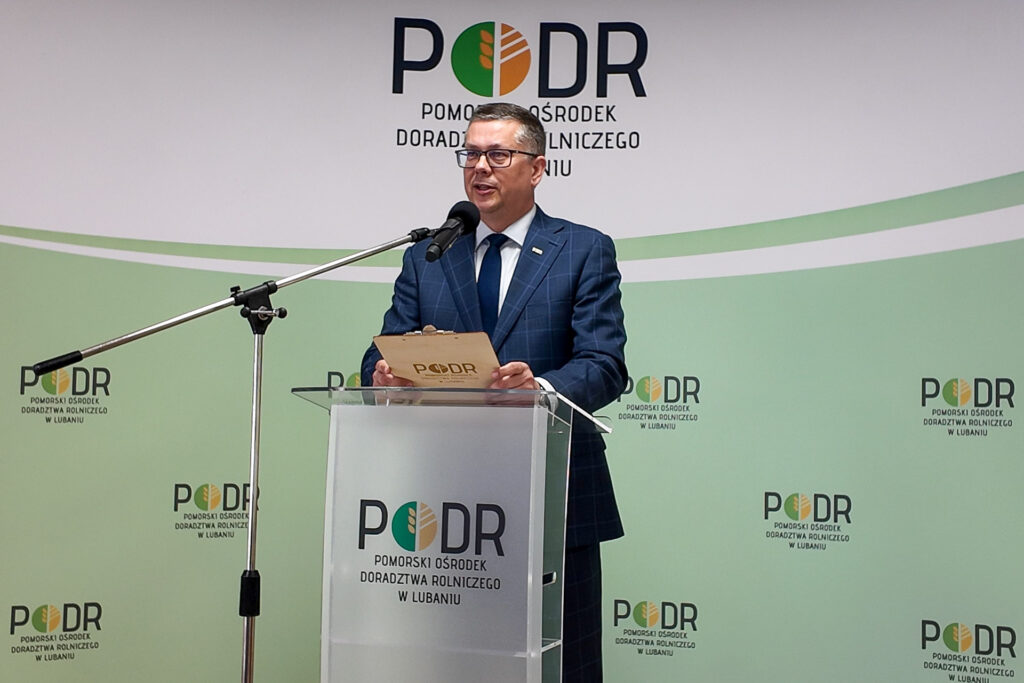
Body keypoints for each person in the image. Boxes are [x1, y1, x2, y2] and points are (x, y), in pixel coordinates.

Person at [360, 102, 627, 681]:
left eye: (498, 155)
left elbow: (605, 364)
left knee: (565, 665)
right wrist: (384, 376)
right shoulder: (430, 255)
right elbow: (380, 353)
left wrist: (541, 389)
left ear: (537, 168)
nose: (480, 167)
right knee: (458, 664)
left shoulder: (582, 249)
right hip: (450, 504)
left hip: (556, 492)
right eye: (471, 154)